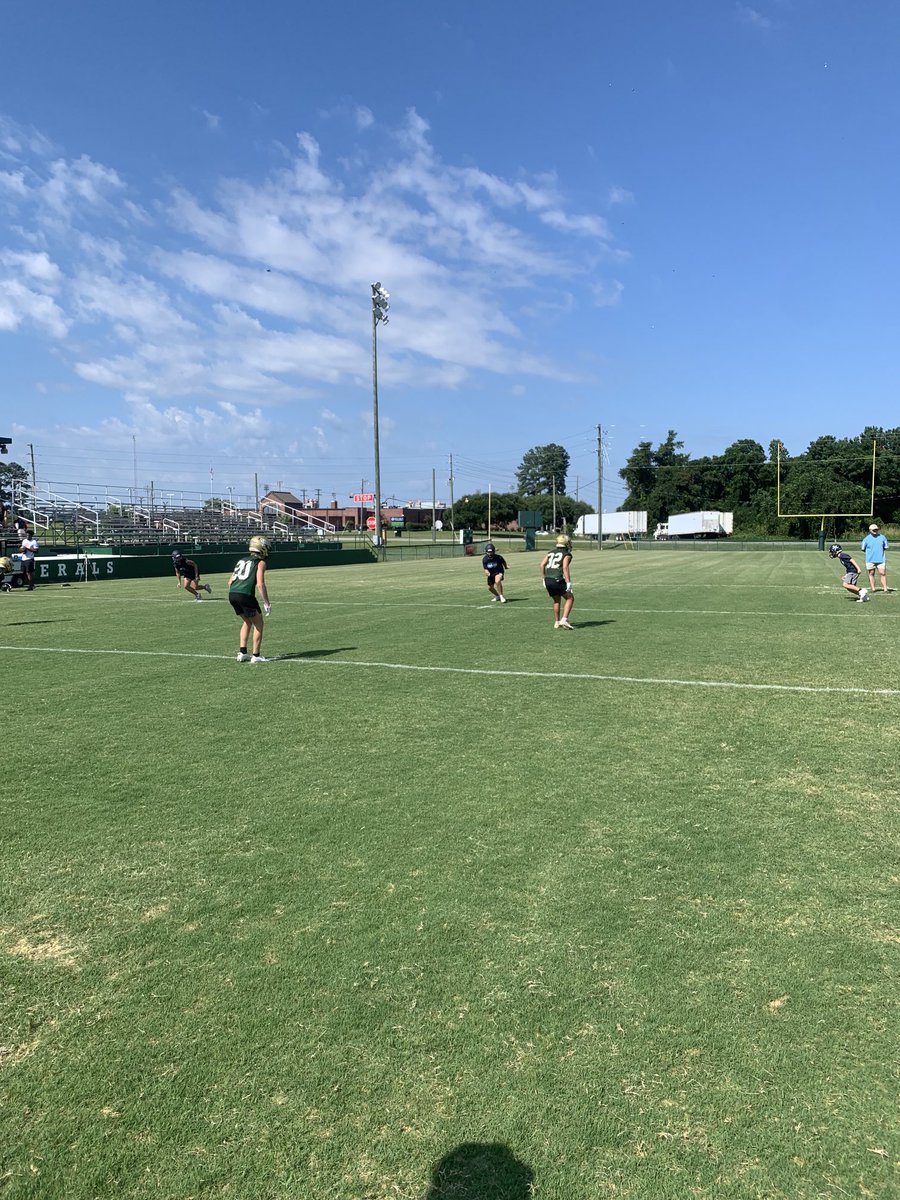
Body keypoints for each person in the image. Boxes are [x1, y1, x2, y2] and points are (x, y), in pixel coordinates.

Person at [227, 535, 272, 663]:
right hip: (245, 595)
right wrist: (267, 603)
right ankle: (256, 655)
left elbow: (230, 581)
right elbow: (260, 584)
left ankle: (242, 653)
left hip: (232, 594)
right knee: (259, 623)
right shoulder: (260, 562)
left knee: (247, 622)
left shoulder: (241, 560)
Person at [540, 534, 575, 628]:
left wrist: (544, 578)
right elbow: (565, 567)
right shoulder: (566, 554)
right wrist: (568, 582)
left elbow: (542, 564)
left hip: (548, 579)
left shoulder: (550, 552)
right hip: (557, 579)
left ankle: (557, 622)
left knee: (556, 600)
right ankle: (564, 619)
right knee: (570, 598)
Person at [860, 522, 889, 594]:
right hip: (870, 560)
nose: (875, 531)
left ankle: (885, 589)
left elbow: (885, 547)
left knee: (882, 573)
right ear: (870, 530)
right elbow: (863, 549)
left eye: (876, 529)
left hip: (881, 559)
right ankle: (873, 588)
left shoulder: (882, 537)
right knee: (871, 573)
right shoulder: (866, 539)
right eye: (873, 530)